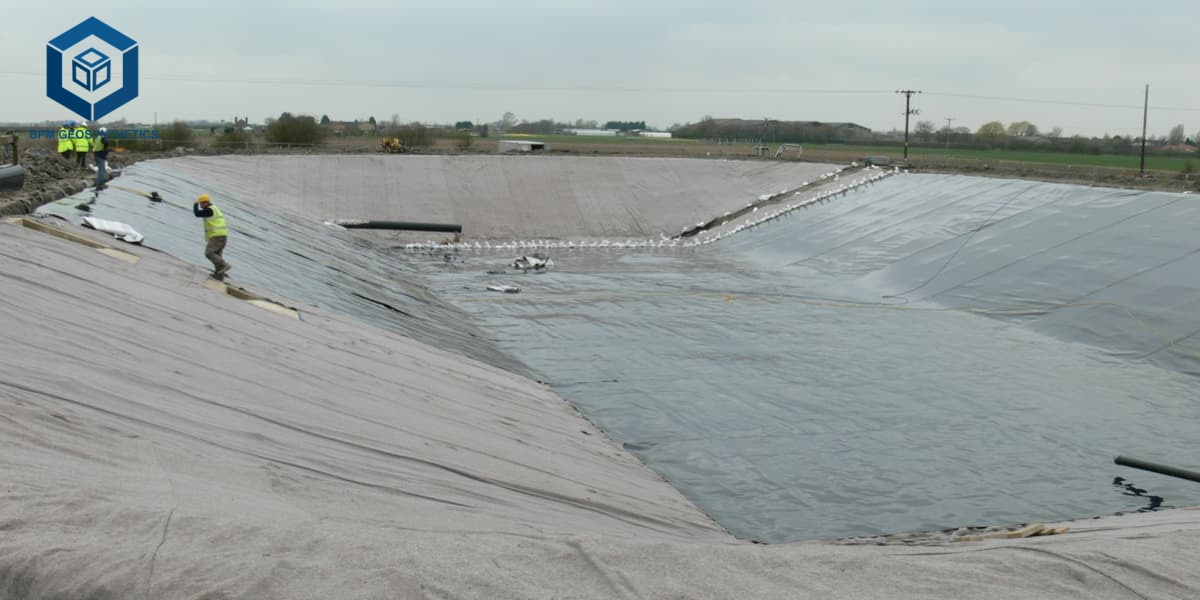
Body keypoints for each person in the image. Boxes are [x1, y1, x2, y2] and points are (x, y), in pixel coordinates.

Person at [193, 193, 232, 279]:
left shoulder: (209, 210)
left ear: (206, 203)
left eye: (201, 203)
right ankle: (219, 276)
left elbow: (197, 213)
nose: (200, 205)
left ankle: (225, 265)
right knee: (217, 255)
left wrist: (195, 205)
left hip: (217, 235)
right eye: (199, 203)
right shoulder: (215, 208)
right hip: (223, 235)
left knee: (209, 253)